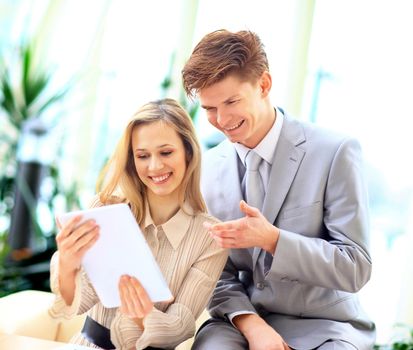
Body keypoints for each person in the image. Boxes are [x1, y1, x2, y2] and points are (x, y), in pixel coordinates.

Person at [182, 29, 375, 350]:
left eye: (231, 101)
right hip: (239, 322)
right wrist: (251, 324)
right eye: (209, 109)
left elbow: (355, 267)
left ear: (264, 85)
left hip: (325, 326)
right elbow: (212, 274)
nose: (222, 119)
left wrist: (272, 240)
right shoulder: (206, 168)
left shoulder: (335, 152)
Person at [48, 98, 228, 350]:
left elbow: (182, 324)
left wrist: (143, 318)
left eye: (166, 152)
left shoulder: (209, 236)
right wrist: (67, 266)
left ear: (188, 152)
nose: (155, 166)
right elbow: (77, 303)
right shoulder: (104, 209)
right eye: (143, 156)